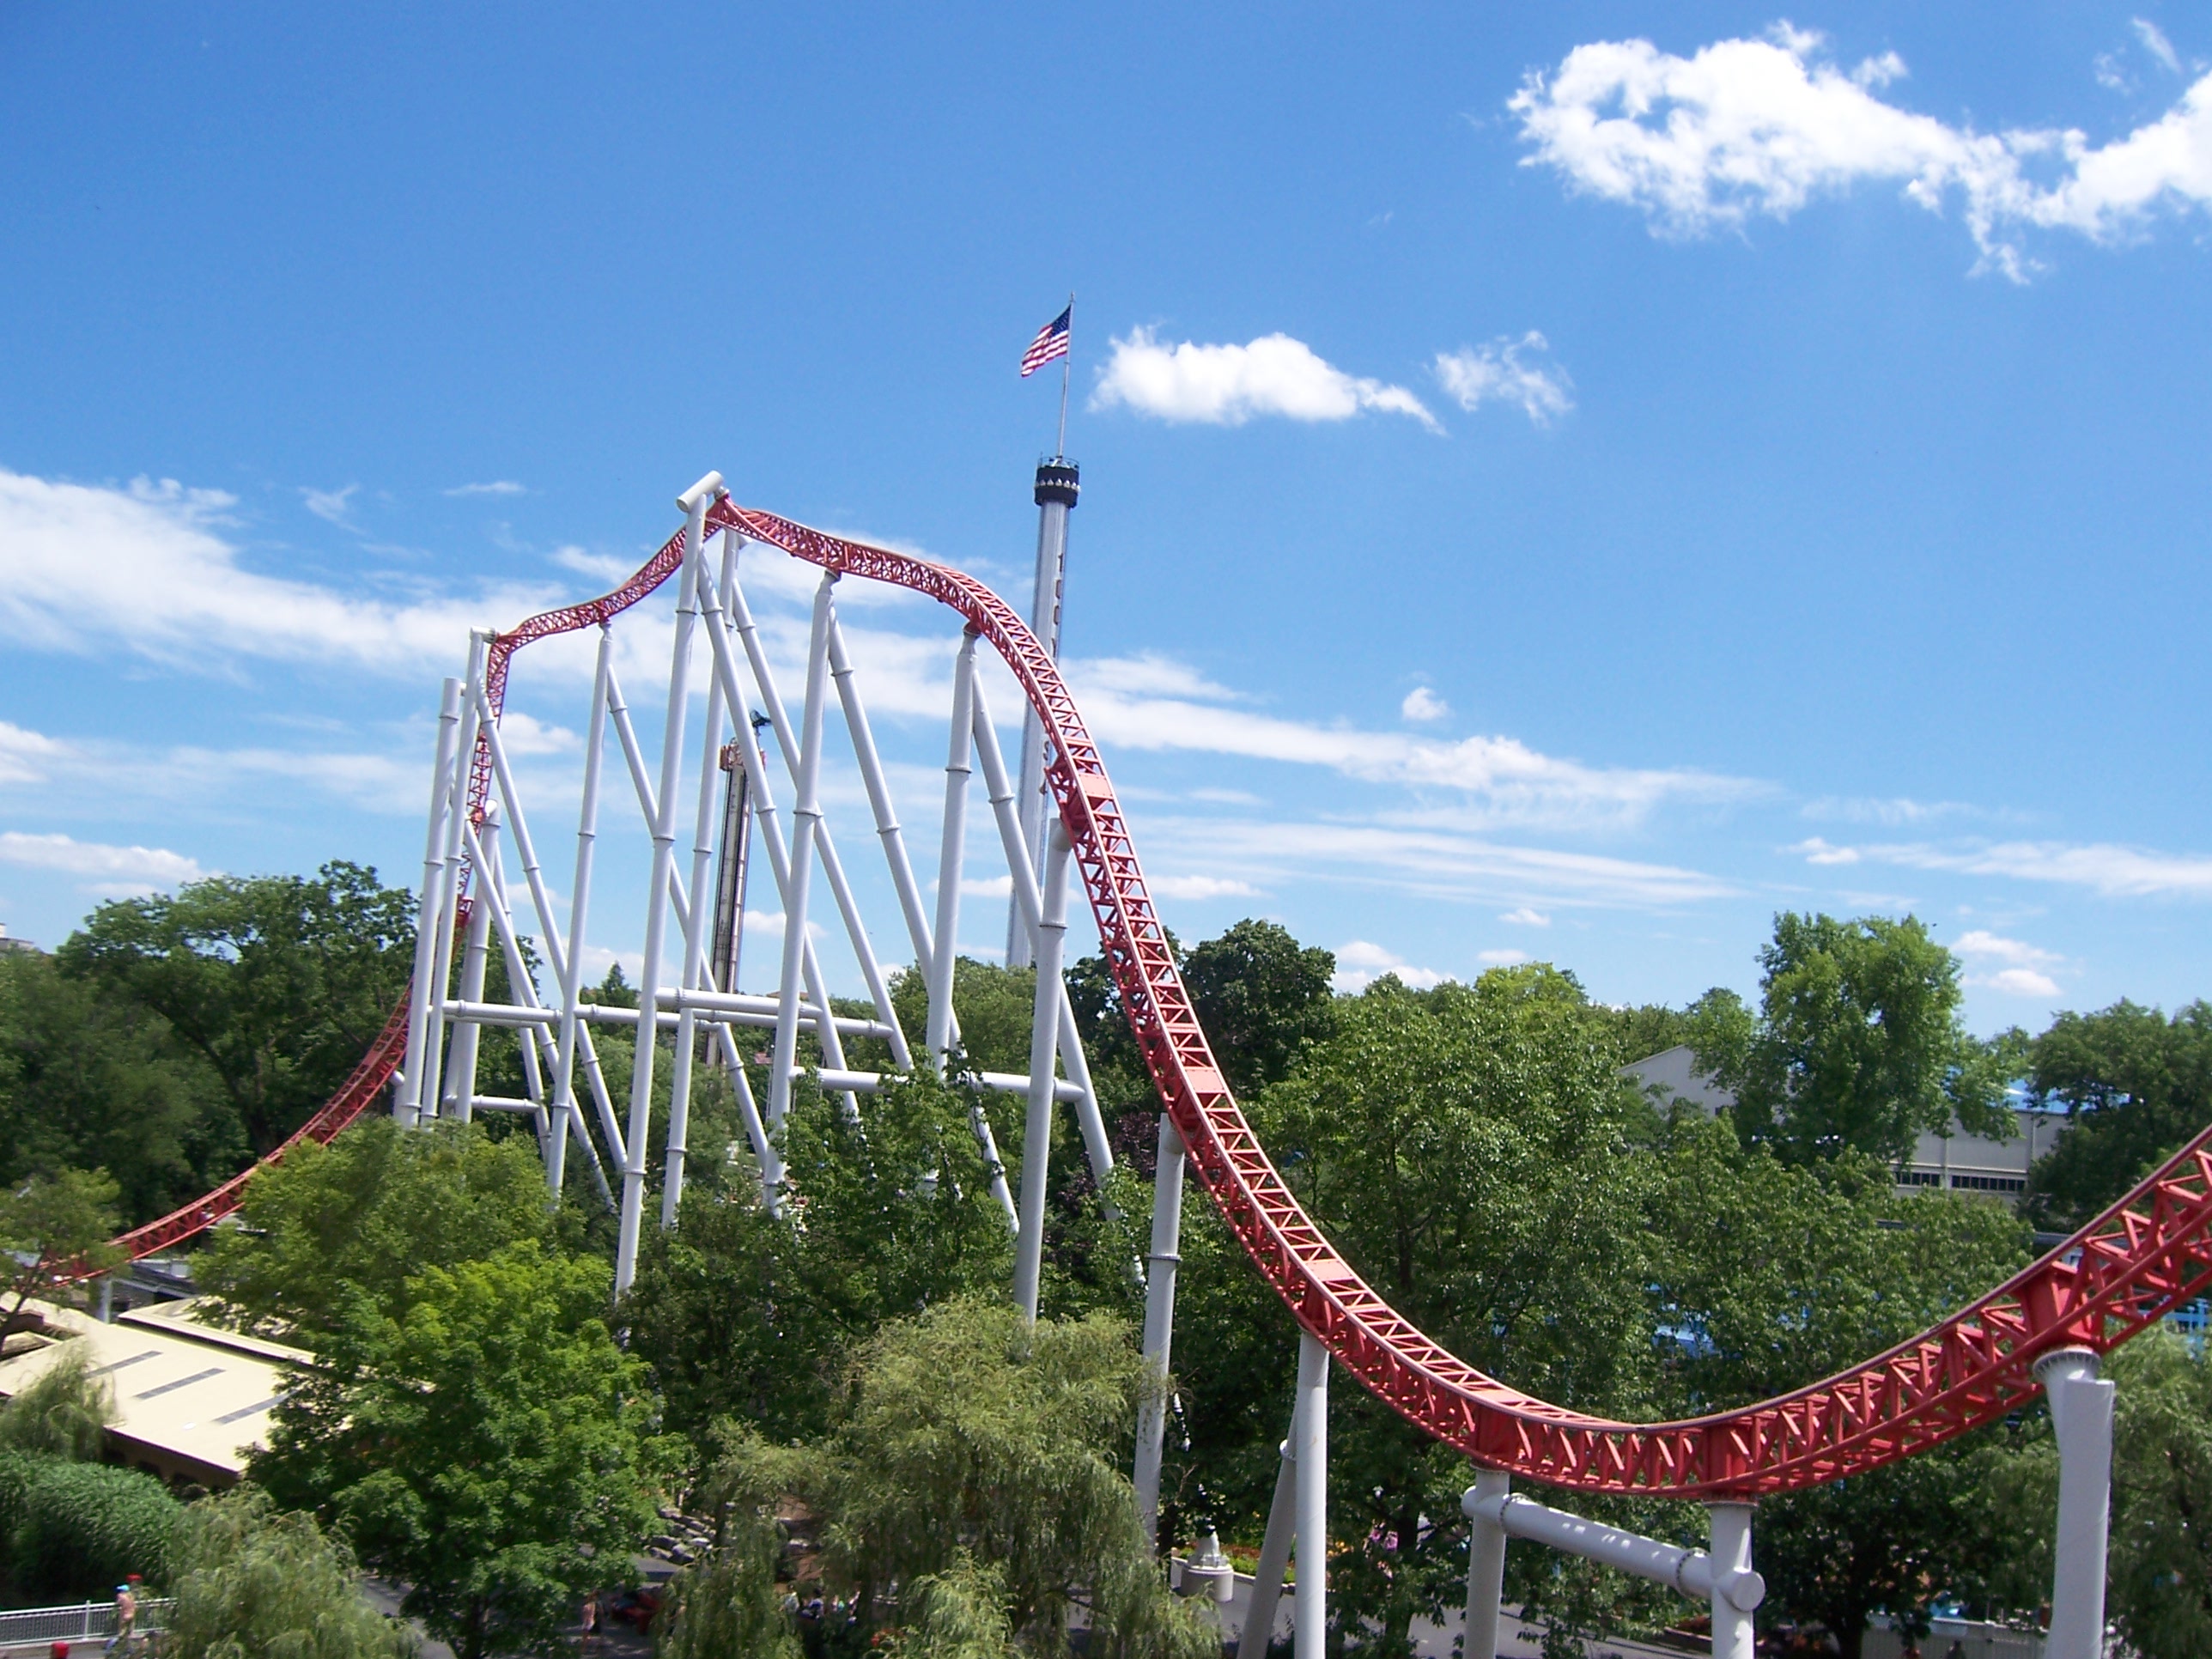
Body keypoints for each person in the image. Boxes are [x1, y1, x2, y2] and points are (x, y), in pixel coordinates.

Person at [104, 1585, 137, 1655]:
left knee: (121, 1634)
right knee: (127, 1634)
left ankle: (109, 1648)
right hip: (132, 1615)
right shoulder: (131, 1597)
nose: (120, 1592)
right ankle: (130, 1649)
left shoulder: (121, 1596)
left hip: (125, 1616)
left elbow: (117, 1604)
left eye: (121, 1590)